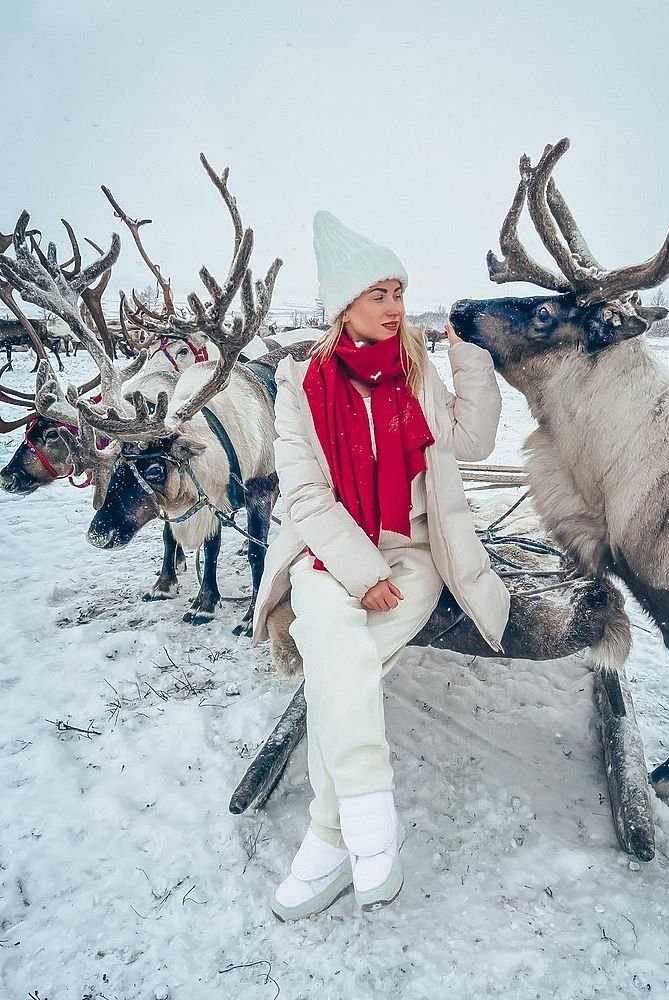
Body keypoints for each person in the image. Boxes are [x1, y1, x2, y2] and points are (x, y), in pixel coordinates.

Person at [251, 211, 510, 921]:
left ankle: (330, 836)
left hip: (419, 551)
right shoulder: (301, 386)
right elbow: (305, 495)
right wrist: (364, 577)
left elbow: (476, 439)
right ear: (345, 306)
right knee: (340, 643)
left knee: (339, 666)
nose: (395, 308)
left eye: (399, 292)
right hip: (329, 550)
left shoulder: (419, 369)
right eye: (379, 295)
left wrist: (470, 361)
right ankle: (367, 825)